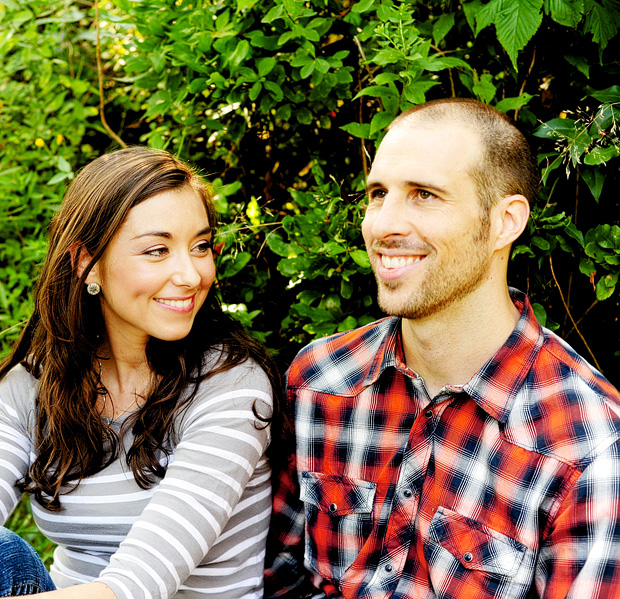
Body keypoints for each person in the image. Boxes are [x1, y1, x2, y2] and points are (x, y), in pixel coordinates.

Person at [0, 146, 281, 599]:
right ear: (86, 262)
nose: (190, 273)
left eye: (200, 246)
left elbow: (136, 585)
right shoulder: (37, 386)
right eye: (157, 250)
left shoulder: (231, 386)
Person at [263, 98, 620, 599]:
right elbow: (277, 578)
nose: (384, 224)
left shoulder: (586, 443)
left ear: (505, 222)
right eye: (378, 193)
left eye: (424, 195)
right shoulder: (321, 381)